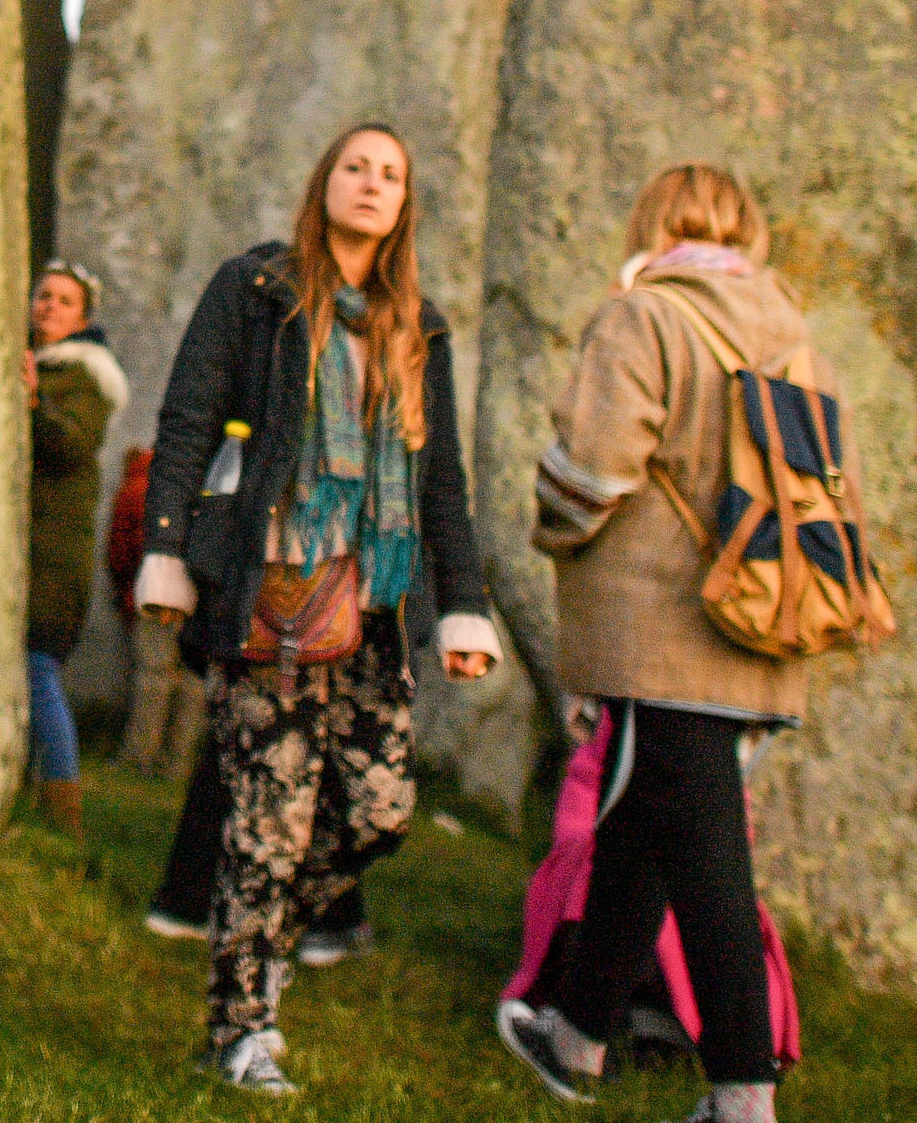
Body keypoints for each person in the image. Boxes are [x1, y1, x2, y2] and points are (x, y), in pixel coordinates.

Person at [134, 124, 499, 1096]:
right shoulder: (252, 292)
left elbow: (442, 484)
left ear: (404, 202)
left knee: (378, 810)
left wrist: (462, 604)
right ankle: (239, 1026)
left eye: (390, 173)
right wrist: (165, 549)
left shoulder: (418, 328)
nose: (371, 183)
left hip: (372, 604)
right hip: (270, 590)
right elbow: (185, 418)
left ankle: (258, 940)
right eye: (354, 166)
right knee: (268, 814)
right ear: (322, 182)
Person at [498, 164, 831, 1123]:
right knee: (637, 824)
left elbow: (592, 469)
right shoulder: (793, 330)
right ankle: (574, 1037)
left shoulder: (644, 315)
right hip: (762, 622)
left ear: (649, 223)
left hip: (662, 630)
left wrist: (553, 528)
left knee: (707, 858)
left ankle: (743, 1098)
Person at [26, 259, 122, 836]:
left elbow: (67, 445)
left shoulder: (83, 376)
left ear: (83, 318)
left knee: (39, 668)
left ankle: (65, 812)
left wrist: (34, 401)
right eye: (43, 295)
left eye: (64, 301)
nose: (48, 307)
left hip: (54, 555)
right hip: (32, 548)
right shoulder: (37, 365)